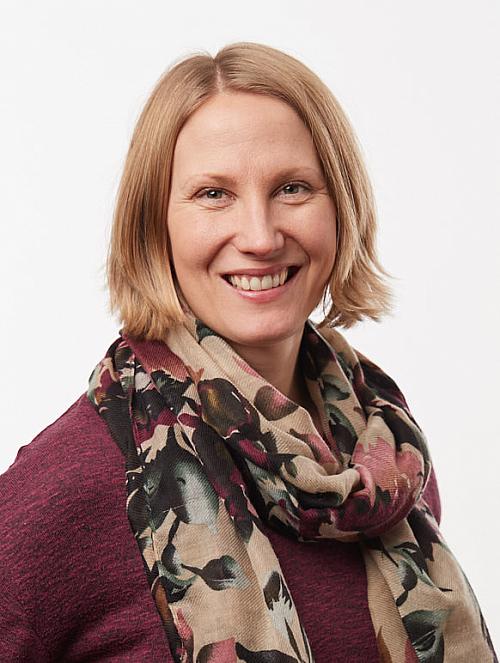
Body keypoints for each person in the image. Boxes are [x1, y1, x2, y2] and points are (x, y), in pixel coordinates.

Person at [0, 41, 496, 663]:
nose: (260, 237)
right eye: (214, 194)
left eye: (292, 188)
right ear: (155, 225)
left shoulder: (385, 460)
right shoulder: (72, 487)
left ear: (342, 208)